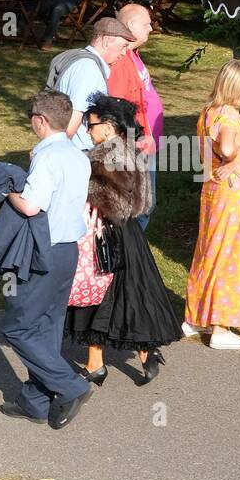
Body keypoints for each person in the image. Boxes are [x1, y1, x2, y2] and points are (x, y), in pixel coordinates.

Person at [65, 93, 181, 385]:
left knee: (99, 298)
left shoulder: (107, 155)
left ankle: (97, 364)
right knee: (129, 296)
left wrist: (80, 181)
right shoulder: (131, 151)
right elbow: (141, 202)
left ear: (108, 126)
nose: (87, 131)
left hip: (107, 235)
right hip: (130, 237)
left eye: (90, 125)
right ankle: (142, 353)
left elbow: (115, 201)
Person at [0, 90, 93, 428]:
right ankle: (35, 401)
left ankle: (70, 385)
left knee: (18, 328)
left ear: (40, 121)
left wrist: (6, 189)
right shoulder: (79, 155)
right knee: (48, 326)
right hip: (69, 251)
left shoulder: (47, 157)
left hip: (43, 251)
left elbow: (31, 205)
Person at [184, 58, 240, 349]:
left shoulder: (208, 112)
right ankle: (220, 328)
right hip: (230, 195)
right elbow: (228, 149)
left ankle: (195, 316)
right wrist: (233, 161)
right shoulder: (231, 116)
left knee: (208, 249)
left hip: (211, 189)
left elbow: (207, 157)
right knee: (230, 254)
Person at [107, 3, 163, 229]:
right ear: (130, 26)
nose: (151, 28)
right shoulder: (121, 61)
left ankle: (130, 255)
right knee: (140, 207)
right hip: (136, 147)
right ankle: (129, 256)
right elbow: (120, 108)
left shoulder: (132, 56)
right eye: (146, 23)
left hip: (144, 145)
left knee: (143, 205)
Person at [51, 17, 135, 150]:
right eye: (124, 46)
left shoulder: (80, 59)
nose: (124, 53)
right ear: (107, 41)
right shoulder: (88, 69)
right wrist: (56, 152)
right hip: (77, 152)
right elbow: (74, 116)